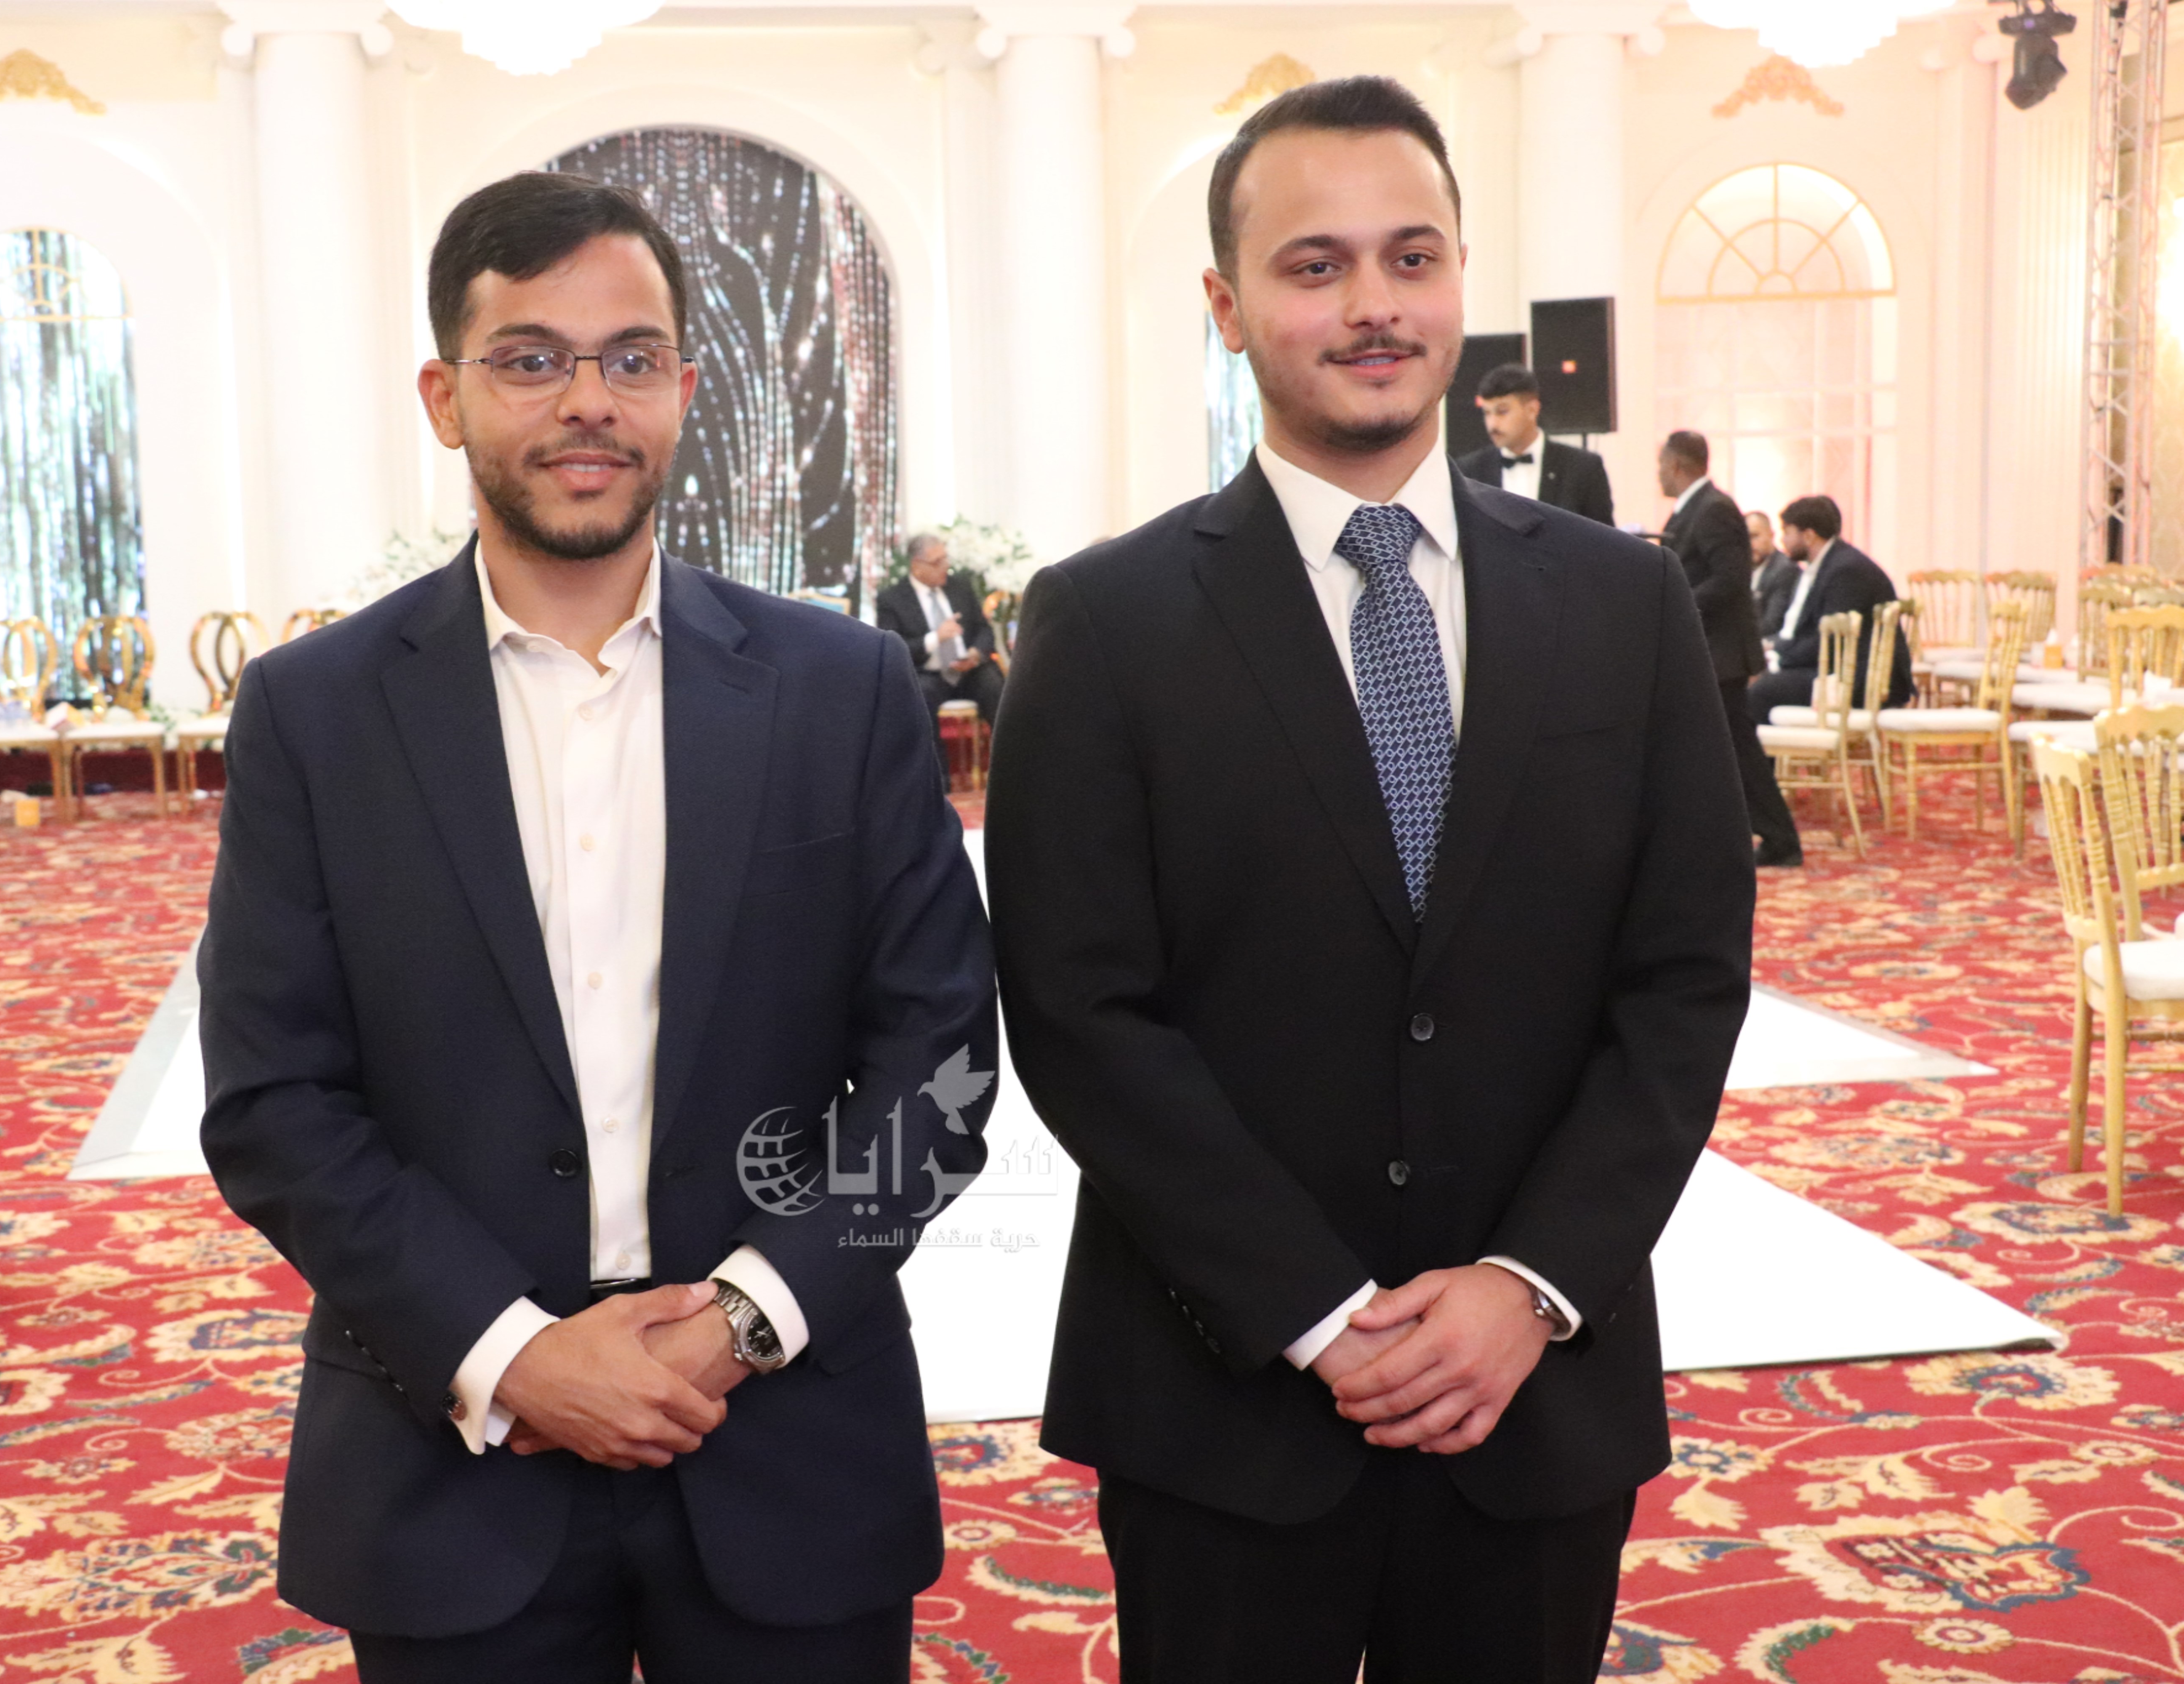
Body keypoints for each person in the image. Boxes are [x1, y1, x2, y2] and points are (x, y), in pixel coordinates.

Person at [986, 77, 1753, 1684]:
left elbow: (1682, 979)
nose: (1372, 306)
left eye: (1411, 257)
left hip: (1536, 1389)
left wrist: (1529, 1285)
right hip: (1221, 1397)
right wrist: (1317, 1310)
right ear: (1225, 307)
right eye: (1314, 265)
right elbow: (1078, 1007)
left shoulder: (1621, 606)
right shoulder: (1105, 622)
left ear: (1461, 277)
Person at [198, 171, 998, 1684]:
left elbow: (939, 1068)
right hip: (451, 1450)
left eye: (631, 358)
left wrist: (741, 1320)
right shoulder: (317, 715)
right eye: (530, 358)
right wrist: (513, 1350)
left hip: (788, 1435)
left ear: (683, 392)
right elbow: (274, 1101)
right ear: (444, 397)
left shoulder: (838, 692)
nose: (587, 401)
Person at [1656, 431, 1800, 868]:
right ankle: (1732, 837)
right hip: (1709, 653)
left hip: (1722, 656)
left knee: (1738, 751)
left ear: (1677, 465)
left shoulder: (1714, 509)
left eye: (1661, 465)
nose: (1658, 474)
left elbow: (1730, 579)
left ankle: (1781, 840)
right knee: (1720, 751)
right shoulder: (1695, 509)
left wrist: (1675, 602)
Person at [1745, 494, 1912, 725]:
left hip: (1858, 679)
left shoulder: (1846, 570)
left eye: (1787, 532)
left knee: (1764, 690)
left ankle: (1758, 751)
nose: (1783, 541)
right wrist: (1774, 653)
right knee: (1758, 681)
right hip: (1838, 669)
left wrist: (1777, 659)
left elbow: (1829, 641)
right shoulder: (1828, 565)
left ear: (1808, 536)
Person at [1454, 362, 1614, 525]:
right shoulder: (1469, 471)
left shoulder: (1583, 468)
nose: (1492, 425)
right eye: (1487, 413)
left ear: (1532, 410)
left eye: (1502, 412)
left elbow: (1603, 537)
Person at [874, 533, 1004, 727]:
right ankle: (932, 749)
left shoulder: (961, 586)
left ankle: (1010, 746)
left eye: (946, 559)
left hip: (969, 672)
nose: (945, 566)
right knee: (920, 695)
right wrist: (936, 638)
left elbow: (985, 630)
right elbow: (893, 650)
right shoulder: (892, 600)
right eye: (937, 562)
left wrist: (975, 653)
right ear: (917, 566)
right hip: (928, 674)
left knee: (994, 685)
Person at [1749, 509, 1798, 636]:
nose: (1749, 545)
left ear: (1771, 535)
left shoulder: (1785, 570)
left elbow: (1772, 624)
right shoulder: (1743, 569)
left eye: (1755, 536)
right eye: (1744, 539)